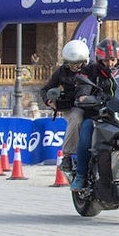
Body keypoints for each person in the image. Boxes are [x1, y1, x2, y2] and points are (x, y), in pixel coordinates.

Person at [72, 38, 119, 190]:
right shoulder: (89, 72)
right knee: (86, 131)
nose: (110, 63)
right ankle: (80, 175)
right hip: (98, 116)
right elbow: (82, 89)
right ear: (100, 59)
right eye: (106, 60)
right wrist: (85, 97)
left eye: (113, 59)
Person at [39, 39, 91, 180]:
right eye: (71, 63)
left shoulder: (93, 69)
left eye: (77, 63)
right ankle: (68, 155)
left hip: (93, 105)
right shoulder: (61, 72)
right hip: (72, 107)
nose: (74, 67)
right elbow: (45, 89)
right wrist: (50, 101)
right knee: (76, 117)